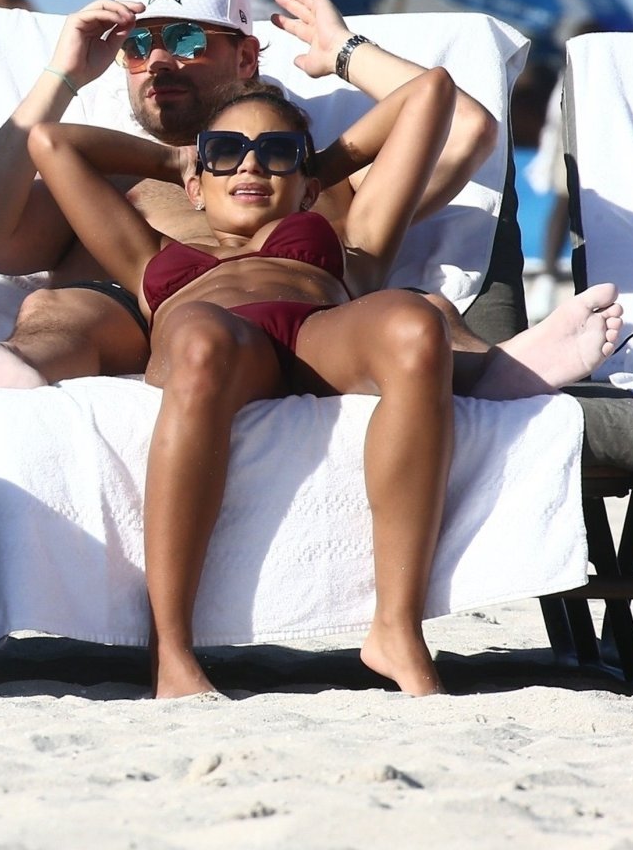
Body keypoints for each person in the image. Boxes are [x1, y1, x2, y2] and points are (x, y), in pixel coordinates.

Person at [0, 0, 622, 400]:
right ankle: (18, 373)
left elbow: (465, 128)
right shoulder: (106, 185)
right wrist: (62, 75)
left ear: (245, 56)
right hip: (141, 330)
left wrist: (344, 51)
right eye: (135, 45)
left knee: (418, 307)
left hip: (305, 325)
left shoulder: (317, 179)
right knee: (63, 309)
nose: (157, 61)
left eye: (183, 39)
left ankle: (494, 370)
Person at [32, 74, 458, 696]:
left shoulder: (353, 240)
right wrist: (178, 158)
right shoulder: (147, 255)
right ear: (195, 184)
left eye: (276, 151)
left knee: (418, 324)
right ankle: (170, 651)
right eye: (228, 151)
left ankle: (396, 629)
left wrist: (308, 169)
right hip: (216, 348)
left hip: (318, 335)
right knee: (202, 338)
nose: (251, 164)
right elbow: (50, 142)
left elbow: (431, 92)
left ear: (309, 185)